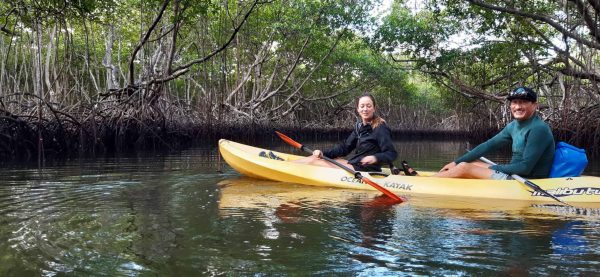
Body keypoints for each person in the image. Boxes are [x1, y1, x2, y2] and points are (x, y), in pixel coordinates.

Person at [435, 86, 555, 179]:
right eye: (515, 102)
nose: (518, 107)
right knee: (466, 163)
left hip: (525, 180)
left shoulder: (539, 129)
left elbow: (525, 168)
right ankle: (440, 177)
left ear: (535, 105)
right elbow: (488, 146)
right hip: (513, 174)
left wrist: (492, 169)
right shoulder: (513, 126)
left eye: (523, 102)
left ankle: (428, 181)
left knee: (464, 168)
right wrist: (455, 162)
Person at [293, 93, 398, 172]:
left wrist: (375, 158)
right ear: (358, 109)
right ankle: (285, 165)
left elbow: (391, 153)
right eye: (362, 106)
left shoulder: (380, 128)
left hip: (366, 170)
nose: (365, 109)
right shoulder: (359, 127)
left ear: (374, 108)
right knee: (314, 157)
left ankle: (285, 167)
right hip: (355, 164)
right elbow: (344, 148)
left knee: (314, 162)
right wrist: (323, 153)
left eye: (368, 106)